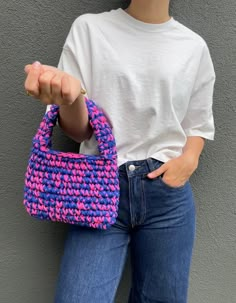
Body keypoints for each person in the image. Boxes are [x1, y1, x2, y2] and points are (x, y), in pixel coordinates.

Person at [24, 0, 216, 302]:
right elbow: (78, 131)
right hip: (97, 189)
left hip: (166, 196)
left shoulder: (193, 46)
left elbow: (199, 123)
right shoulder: (90, 29)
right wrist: (71, 98)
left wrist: (188, 161)